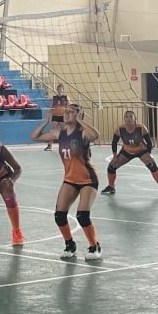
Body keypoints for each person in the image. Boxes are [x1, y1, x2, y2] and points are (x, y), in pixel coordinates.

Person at [31, 102, 103, 260]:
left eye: (71, 112)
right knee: (59, 215)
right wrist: (45, 121)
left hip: (87, 179)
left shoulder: (82, 132)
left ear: (78, 115)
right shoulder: (60, 133)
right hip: (70, 179)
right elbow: (34, 136)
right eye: (66, 112)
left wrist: (80, 120)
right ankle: (70, 244)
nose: (67, 114)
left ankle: (94, 246)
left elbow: (95, 135)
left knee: (83, 216)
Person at [100, 110, 158, 197]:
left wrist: (149, 153)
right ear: (124, 119)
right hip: (127, 151)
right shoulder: (120, 129)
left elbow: (149, 142)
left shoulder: (141, 128)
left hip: (141, 151)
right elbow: (114, 142)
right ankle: (111, 186)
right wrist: (114, 155)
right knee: (111, 166)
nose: (128, 119)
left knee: (152, 164)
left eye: (130, 117)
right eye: (126, 117)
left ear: (135, 119)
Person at [43, 84, 68, 151]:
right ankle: (49, 145)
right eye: (58, 89)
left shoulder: (66, 97)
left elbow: (69, 106)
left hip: (63, 116)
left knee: (64, 131)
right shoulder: (54, 98)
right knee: (53, 130)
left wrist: (68, 114)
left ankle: (66, 145)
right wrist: (48, 114)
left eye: (61, 89)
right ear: (57, 90)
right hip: (55, 115)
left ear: (63, 90)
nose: (60, 90)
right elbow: (51, 107)